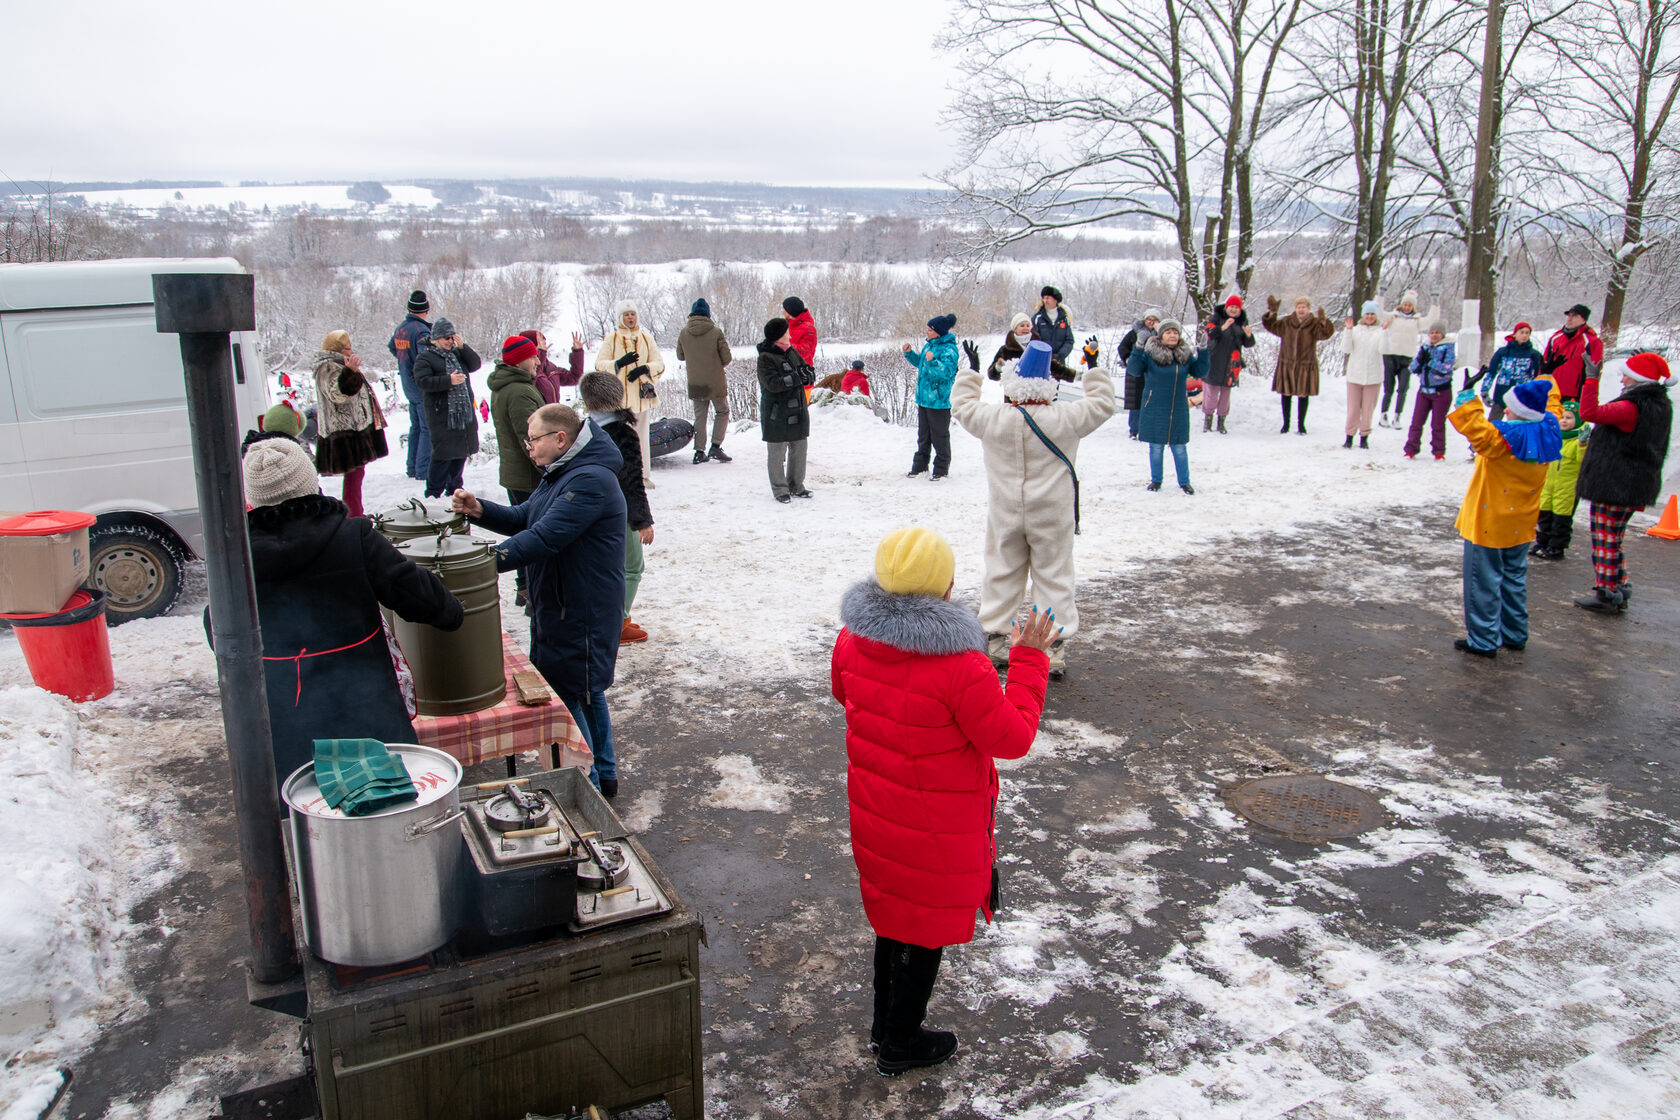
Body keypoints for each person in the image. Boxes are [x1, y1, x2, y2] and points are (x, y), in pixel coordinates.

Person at [830, 527, 1056, 1076]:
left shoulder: (852, 641)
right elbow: (1013, 738)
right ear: (947, 586)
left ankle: (886, 1029)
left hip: (879, 815)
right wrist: (1028, 660)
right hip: (936, 830)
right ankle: (900, 1043)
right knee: (922, 931)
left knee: (894, 921)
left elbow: (844, 691)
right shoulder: (960, 666)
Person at [232, 438, 462, 795]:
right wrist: (450, 608)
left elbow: (218, 630)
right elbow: (433, 604)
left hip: (281, 715)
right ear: (310, 482)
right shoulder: (352, 536)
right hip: (364, 710)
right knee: (382, 810)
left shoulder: (238, 555)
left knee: (302, 817)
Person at [452, 403, 628, 796]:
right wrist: (479, 510)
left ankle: (589, 788)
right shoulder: (563, 473)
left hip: (580, 609)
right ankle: (605, 775)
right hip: (565, 603)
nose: (528, 447)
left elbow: (545, 538)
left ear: (560, 439)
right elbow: (525, 519)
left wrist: (476, 564)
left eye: (532, 440)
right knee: (586, 690)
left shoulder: (589, 480)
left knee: (568, 695)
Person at [951, 338, 1115, 680]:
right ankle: (1050, 645)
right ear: (1049, 387)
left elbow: (962, 405)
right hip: (1053, 516)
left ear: (1012, 384)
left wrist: (971, 371)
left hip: (1005, 513)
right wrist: (1093, 366)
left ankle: (996, 636)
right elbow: (1102, 403)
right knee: (1053, 574)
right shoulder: (1067, 418)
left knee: (1002, 569)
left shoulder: (994, 418)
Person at [1446, 378, 1563, 657]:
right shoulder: (1549, 430)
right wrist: (1545, 382)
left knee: (1483, 581)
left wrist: (1466, 397)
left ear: (1516, 411)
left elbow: (1476, 428)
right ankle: (1515, 633)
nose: (1505, 412)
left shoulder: (1501, 440)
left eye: (1509, 407)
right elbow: (1553, 403)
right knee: (1513, 578)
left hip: (1488, 525)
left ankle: (1484, 639)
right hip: (1521, 523)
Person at [1571, 352, 1675, 614]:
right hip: (1634, 483)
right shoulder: (1660, 405)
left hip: (1614, 483)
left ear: (1639, 379)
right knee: (1614, 537)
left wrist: (1591, 380)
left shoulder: (1632, 406)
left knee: (1604, 538)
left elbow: (1589, 412)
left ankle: (1606, 592)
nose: (1623, 378)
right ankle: (1620, 586)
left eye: (1627, 374)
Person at [578, 372, 655, 644]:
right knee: (631, 566)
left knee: (596, 566)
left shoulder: (581, 429)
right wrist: (642, 521)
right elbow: (632, 481)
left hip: (584, 511)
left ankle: (594, 617)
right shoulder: (622, 433)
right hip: (616, 512)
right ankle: (618, 621)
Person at [488, 335, 547, 607]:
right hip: (529, 476)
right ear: (520, 359)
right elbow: (531, 439)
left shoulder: (504, 386)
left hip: (515, 474)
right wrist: (551, 468)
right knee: (535, 536)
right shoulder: (520, 391)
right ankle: (532, 590)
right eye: (533, 356)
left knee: (523, 531)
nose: (537, 360)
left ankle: (524, 587)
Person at [309, 331, 388, 518]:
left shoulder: (339, 364)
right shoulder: (327, 367)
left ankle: (355, 511)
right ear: (336, 349)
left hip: (355, 429)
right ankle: (353, 514)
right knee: (354, 474)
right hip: (343, 431)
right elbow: (338, 394)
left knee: (357, 473)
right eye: (347, 347)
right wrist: (350, 372)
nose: (352, 350)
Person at [1129, 318, 1210, 494]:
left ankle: (1184, 482)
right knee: (1156, 447)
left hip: (1178, 408)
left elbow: (1200, 372)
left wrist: (1203, 352)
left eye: (1175, 332)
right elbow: (1134, 370)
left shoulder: (1185, 355)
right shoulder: (1150, 354)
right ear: (1161, 335)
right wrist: (1138, 347)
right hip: (1155, 406)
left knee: (1179, 447)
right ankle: (1156, 480)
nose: (1172, 335)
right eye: (1168, 332)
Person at [593, 301, 666, 490]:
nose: (630, 318)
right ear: (620, 318)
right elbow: (600, 364)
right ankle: (622, 477)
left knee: (642, 437)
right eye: (626, 315)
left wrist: (645, 369)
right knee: (621, 439)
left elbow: (659, 363)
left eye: (633, 314)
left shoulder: (646, 338)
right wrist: (618, 364)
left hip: (641, 398)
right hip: (619, 400)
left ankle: (643, 476)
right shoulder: (612, 338)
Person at [411, 318, 483, 499]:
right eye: (446, 338)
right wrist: (447, 381)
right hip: (442, 414)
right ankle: (433, 492)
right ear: (435, 338)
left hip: (463, 413)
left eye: (452, 337)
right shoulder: (425, 357)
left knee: (461, 451)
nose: (450, 341)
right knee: (443, 454)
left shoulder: (457, 354)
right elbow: (422, 381)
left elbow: (475, 364)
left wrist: (463, 346)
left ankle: (455, 488)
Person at [757, 318, 816, 503]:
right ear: (778, 336)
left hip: (797, 410)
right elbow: (773, 384)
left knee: (799, 447)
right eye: (786, 332)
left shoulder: (791, 351)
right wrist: (796, 377)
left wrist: (808, 375)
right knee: (776, 452)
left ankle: (797, 486)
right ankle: (780, 489)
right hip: (776, 413)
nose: (789, 335)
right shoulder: (765, 358)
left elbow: (804, 370)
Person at [1261, 295, 1334, 434]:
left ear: (1308, 309)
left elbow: (1325, 334)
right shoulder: (1287, 322)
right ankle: (1286, 424)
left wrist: (1324, 322)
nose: (1301, 310)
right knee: (1285, 394)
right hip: (1287, 363)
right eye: (1299, 307)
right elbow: (1271, 326)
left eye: (1304, 307)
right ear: (1295, 308)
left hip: (1305, 365)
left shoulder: (1314, 323)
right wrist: (1272, 313)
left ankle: (1301, 425)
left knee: (1303, 395)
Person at [676, 297, 734, 464]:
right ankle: (715, 446)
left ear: (691, 314)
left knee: (700, 417)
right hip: (715, 380)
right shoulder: (716, 332)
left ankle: (699, 451)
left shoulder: (683, 332)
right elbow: (727, 357)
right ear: (707, 314)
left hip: (695, 382)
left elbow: (680, 356)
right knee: (722, 411)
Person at [903, 314, 961, 480]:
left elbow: (946, 373)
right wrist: (909, 354)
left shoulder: (949, 350)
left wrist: (933, 361)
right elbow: (921, 363)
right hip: (924, 400)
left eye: (930, 329)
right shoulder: (930, 346)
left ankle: (941, 470)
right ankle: (920, 467)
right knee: (923, 436)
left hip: (939, 401)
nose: (926, 332)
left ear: (938, 332)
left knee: (940, 437)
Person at [1532, 400, 1589, 561]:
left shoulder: (1578, 442)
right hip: (1548, 485)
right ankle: (1542, 542)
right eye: (1562, 417)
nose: (1564, 420)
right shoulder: (1556, 438)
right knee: (1544, 515)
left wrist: (1583, 444)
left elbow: (1581, 461)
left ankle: (1556, 547)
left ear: (1578, 421)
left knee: (1561, 519)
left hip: (1567, 488)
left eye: (1569, 418)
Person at [387, 290, 432, 481]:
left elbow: (392, 347)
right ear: (426, 310)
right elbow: (426, 358)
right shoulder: (421, 331)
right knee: (426, 428)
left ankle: (412, 467)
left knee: (416, 427)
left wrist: (404, 361)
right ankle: (422, 470)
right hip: (420, 386)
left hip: (407, 383)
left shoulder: (401, 329)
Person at [1379, 289, 1436, 428]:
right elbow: (1380, 313)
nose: (1407, 307)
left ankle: (1397, 416)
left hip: (1407, 357)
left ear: (1413, 307)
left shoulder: (1416, 320)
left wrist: (1435, 304)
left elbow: (1430, 320)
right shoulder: (1393, 316)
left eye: (1410, 305)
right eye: (1405, 304)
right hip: (1390, 355)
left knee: (1403, 388)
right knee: (1388, 388)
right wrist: (1380, 296)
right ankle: (1383, 414)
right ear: (1401, 304)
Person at [1402, 324, 1456, 460]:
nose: (1434, 335)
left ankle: (1439, 451)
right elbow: (1413, 367)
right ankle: (1411, 449)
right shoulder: (1425, 347)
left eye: (1437, 332)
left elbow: (1447, 367)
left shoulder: (1448, 347)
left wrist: (1431, 362)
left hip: (1441, 391)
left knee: (1437, 424)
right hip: (1424, 391)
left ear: (1442, 334)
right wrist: (1419, 361)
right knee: (1416, 422)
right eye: (1432, 332)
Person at [1202, 296, 1254, 434]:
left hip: (1232, 363)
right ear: (1226, 307)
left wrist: (1249, 336)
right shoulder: (1217, 318)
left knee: (1225, 394)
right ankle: (1208, 420)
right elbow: (1209, 333)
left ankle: (1221, 422)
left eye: (1236, 308)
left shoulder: (1242, 322)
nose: (1233, 309)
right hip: (1214, 360)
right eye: (1231, 307)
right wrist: (1223, 327)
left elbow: (1248, 344)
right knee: (1211, 393)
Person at [1340, 301, 1386, 449]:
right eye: (1367, 314)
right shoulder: (1355, 330)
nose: (1370, 317)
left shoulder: (1379, 332)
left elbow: (1384, 349)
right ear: (1363, 315)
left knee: (1368, 409)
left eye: (1372, 314)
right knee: (1353, 409)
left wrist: (1385, 333)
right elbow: (1346, 349)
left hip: (1373, 377)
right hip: (1355, 376)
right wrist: (1348, 330)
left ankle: (1364, 437)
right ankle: (1349, 436)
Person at [979, 313, 1075, 383]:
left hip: (1036, 395)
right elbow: (992, 375)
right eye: (1022, 325)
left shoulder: (1039, 347)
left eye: (1027, 325)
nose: (1025, 328)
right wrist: (999, 367)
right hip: (1013, 398)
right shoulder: (1005, 350)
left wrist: (1073, 375)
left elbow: (1052, 366)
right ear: (1015, 328)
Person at [1540, 303, 1605, 402]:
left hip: (1575, 394)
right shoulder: (1556, 338)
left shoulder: (1591, 341)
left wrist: (1589, 396)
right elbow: (1544, 364)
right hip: (1551, 391)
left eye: (1574, 316)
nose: (1569, 319)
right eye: (1569, 316)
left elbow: (1594, 372)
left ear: (1583, 319)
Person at [1484, 322, 1545, 421]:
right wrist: (1485, 390)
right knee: (1492, 425)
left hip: (1522, 396)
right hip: (1501, 393)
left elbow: (1537, 377)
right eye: (1522, 332)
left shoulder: (1534, 354)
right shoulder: (1502, 352)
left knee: (1519, 426)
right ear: (1515, 334)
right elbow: (1492, 371)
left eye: (1527, 333)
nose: (1524, 335)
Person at [1118, 310, 1162, 439]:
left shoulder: (1161, 334)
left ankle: (1149, 427)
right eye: (1149, 319)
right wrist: (1127, 358)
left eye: (1154, 319)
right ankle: (1134, 429)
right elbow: (1122, 347)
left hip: (1153, 371)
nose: (1151, 322)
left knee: (1151, 399)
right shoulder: (1134, 333)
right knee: (1136, 401)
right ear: (1144, 320)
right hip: (1135, 370)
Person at [516, 329, 585, 404]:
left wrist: (577, 351)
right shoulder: (522, 369)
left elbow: (575, 378)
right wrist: (540, 354)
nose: (544, 347)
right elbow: (530, 383)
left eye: (544, 343)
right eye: (540, 343)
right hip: (538, 415)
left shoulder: (550, 367)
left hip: (554, 414)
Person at [1031, 286, 1074, 365]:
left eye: (1048, 298)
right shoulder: (1037, 318)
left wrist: (1060, 355)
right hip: (1041, 361)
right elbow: (1034, 339)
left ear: (1055, 300)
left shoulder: (1065, 319)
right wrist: (1045, 354)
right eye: (1044, 298)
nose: (1045, 300)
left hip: (1059, 362)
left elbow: (1069, 341)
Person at [782, 296, 818, 366]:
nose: (782, 311)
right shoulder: (785, 326)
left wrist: (784, 346)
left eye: (784, 309)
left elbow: (805, 351)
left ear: (790, 312)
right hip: (785, 369)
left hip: (801, 372)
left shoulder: (808, 329)